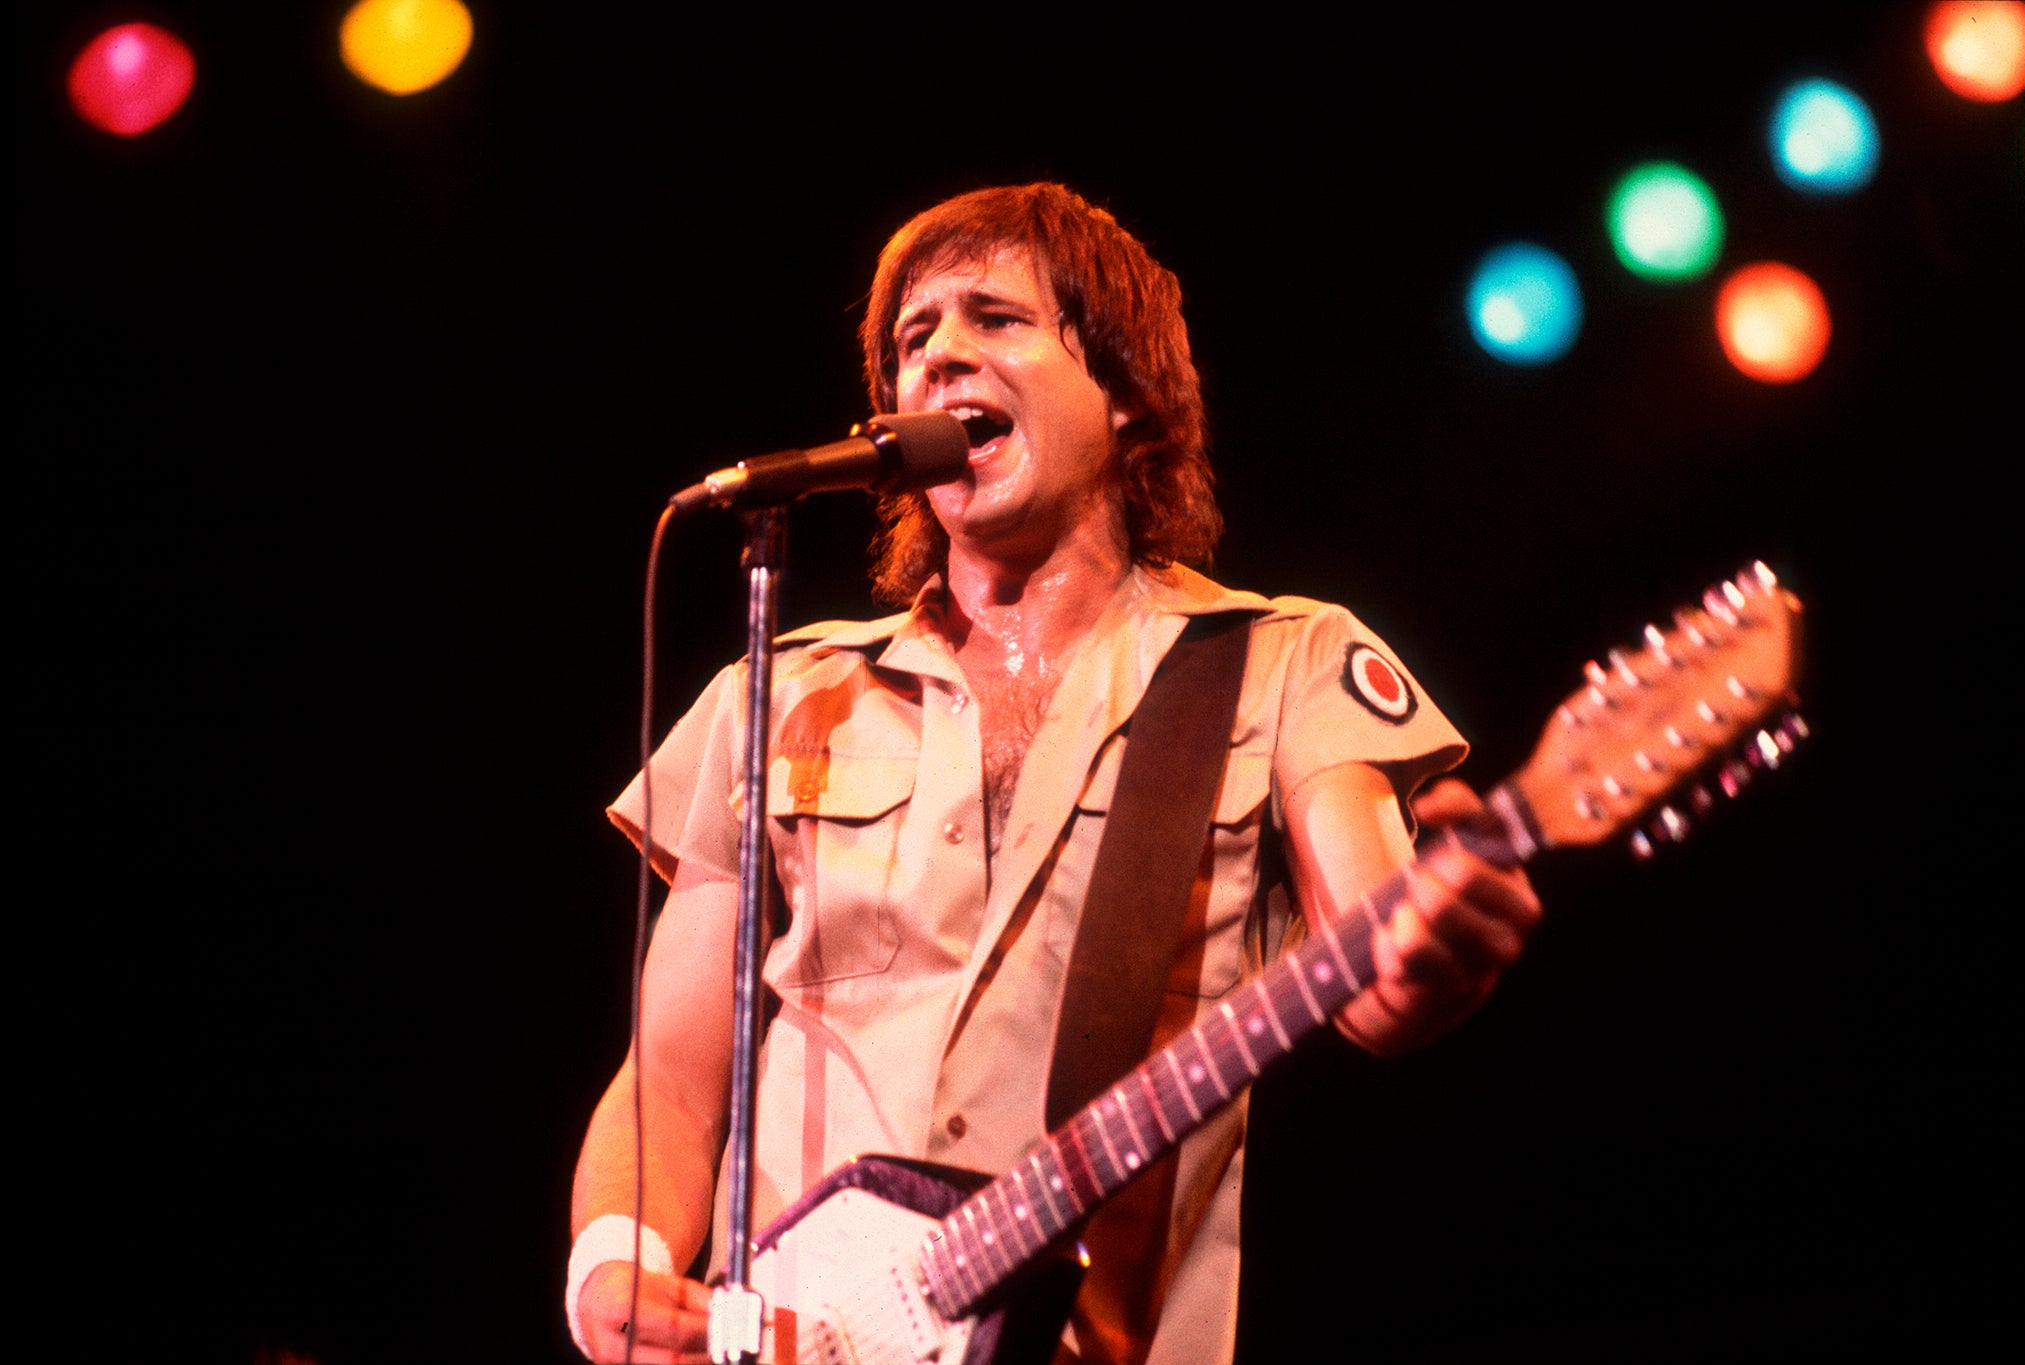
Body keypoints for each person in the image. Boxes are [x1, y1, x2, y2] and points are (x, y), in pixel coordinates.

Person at [566, 183, 1542, 1364]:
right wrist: (610, 1266)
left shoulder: (1278, 664)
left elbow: (1380, 983)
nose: (940, 359)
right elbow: (668, 1082)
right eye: (912, 340)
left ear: (1128, 397)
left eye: (996, 319)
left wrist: (1442, 950)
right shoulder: (782, 692)